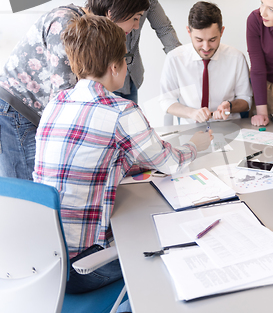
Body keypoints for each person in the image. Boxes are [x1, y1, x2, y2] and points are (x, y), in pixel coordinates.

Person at [33, 15, 212, 294]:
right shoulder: (121, 111)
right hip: (81, 268)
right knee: (170, 246)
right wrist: (196, 145)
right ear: (115, 66)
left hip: (43, 259)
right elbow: (172, 163)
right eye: (126, 60)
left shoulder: (56, 101)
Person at [0, 0, 149, 181]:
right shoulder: (66, 23)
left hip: (40, 109)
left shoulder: (92, 30)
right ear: (112, 13)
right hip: (19, 109)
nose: (136, 25)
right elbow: (66, 98)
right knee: (31, 192)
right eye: (135, 17)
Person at [160, 1, 253, 125]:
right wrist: (191, 113)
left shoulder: (236, 58)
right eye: (199, 40)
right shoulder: (175, 58)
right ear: (189, 32)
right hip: (189, 130)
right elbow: (166, 100)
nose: (206, 47)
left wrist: (230, 106)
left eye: (212, 40)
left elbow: (246, 100)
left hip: (229, 127)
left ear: (222, 32)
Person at [113, 0, 182, 103]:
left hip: (131, 76)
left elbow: (164, 28)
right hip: (105, 78)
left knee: (131, 120)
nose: (136, 25)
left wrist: (181, 63)